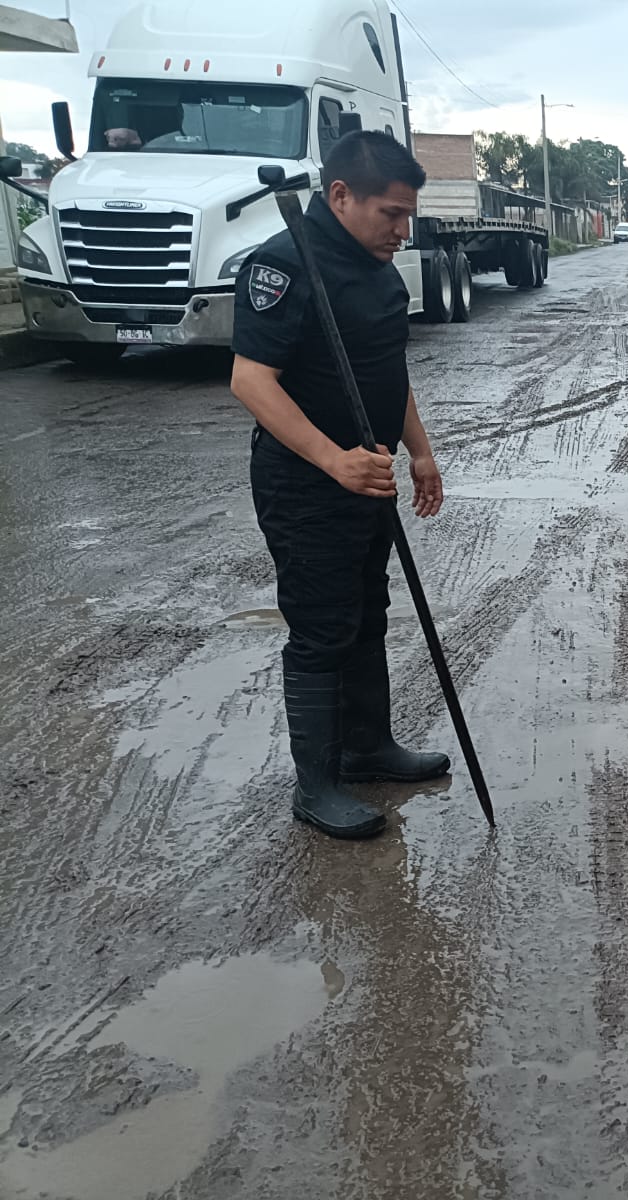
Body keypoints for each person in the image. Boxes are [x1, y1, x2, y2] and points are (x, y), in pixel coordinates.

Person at [231, 130, 447, 839]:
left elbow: (387, 371)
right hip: (306, 485)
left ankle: (367, 747)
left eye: (408, 215)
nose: (402, 230)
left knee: (366, 612)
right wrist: (334, 460)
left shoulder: (381, 273)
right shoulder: (284, 265)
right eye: (391, 213)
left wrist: (420, 451)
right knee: (322, 628)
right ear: (341, 195)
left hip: (370, 479)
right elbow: (251, 381)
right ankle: (316, 785)